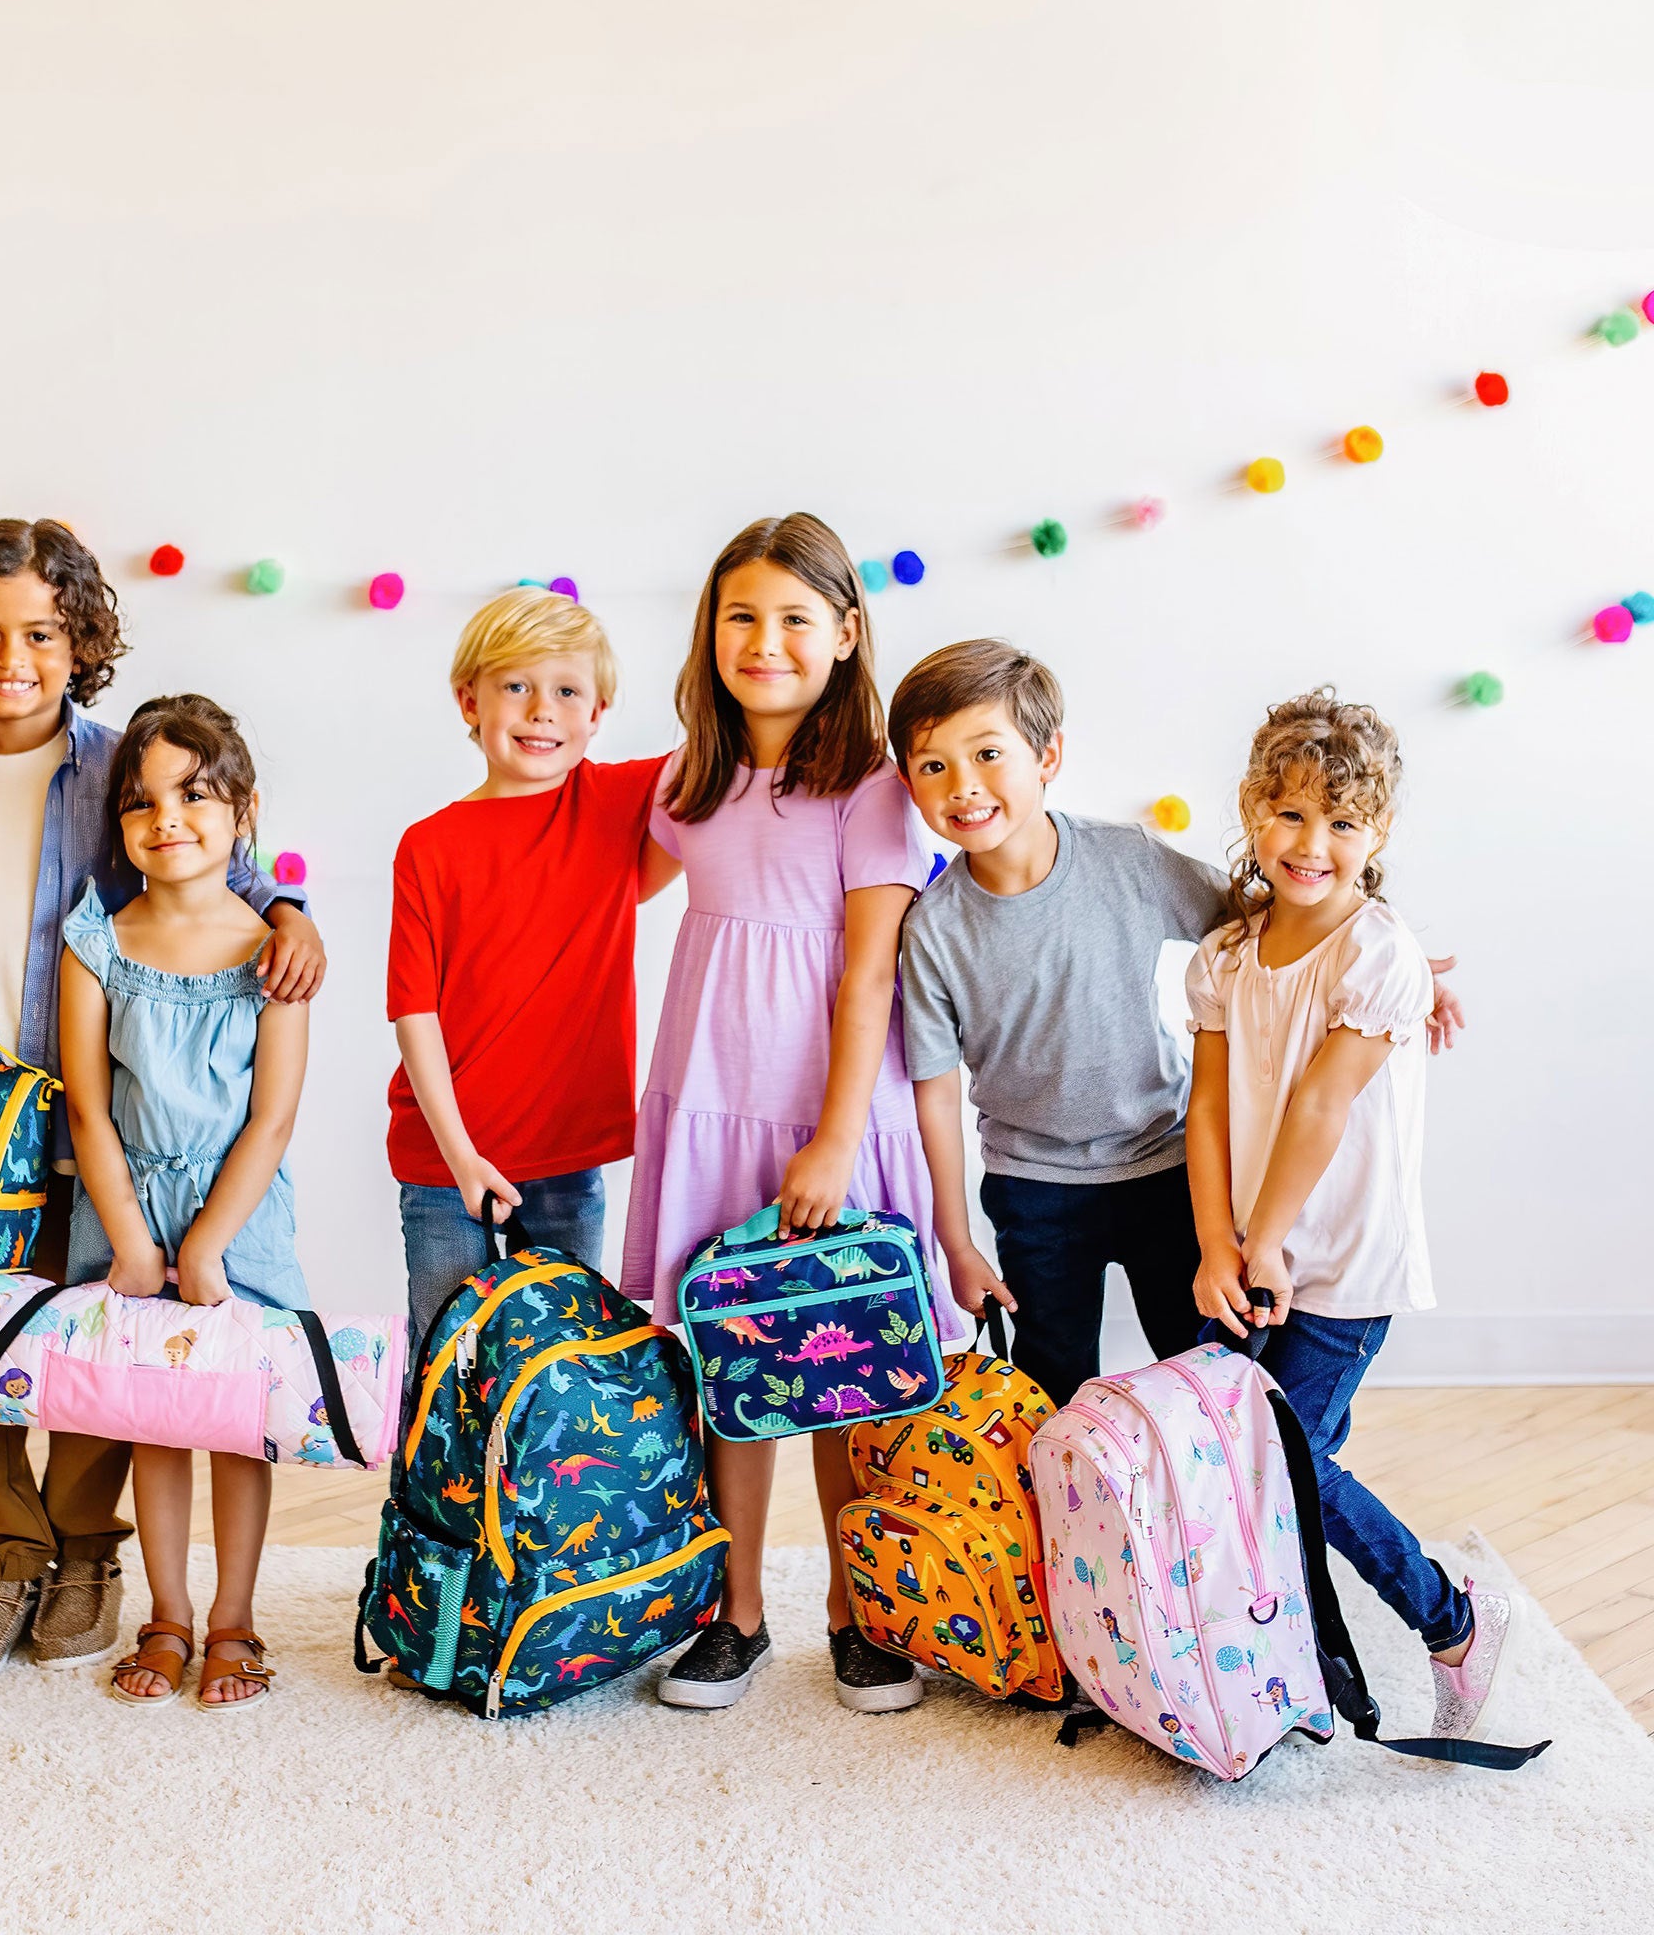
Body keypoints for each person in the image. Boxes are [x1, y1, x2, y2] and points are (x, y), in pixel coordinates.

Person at [0, 521, 324, 1684]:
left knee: (101, 1337)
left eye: (42, 634)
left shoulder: (119, 768)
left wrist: (294, 916)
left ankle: (85, 1554)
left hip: (97, 1115)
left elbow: (226, 867)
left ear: (80, 644)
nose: (11, 658)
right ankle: (0, 1559)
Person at [891, 638, 1463, 1415]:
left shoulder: (1126, 860)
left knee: (1204, 1381)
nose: (964, 785)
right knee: (1052, 1386)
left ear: (1048, 756)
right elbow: (932, 1090)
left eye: (988, 754)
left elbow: (1277, 915)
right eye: (934, 766)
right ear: (909, 781)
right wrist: (955, 1244)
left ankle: (1204, 1501)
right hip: (1033, 1190)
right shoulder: (933, 929)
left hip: (1163, 1169)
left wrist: (1401, 964)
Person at [622, 514, 970, 1716]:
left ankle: (852, 1614)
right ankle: (735, 1613)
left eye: (792, 618)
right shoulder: (686, 779)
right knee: (731, 1358)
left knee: (838, 1364)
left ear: (845, 633)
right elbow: (597, 883)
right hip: (711, 1098)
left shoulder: (872, 789)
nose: (763, 641)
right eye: (741, 617)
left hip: (828, 1109)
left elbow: (868, 972)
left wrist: (832, 1138)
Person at [1185, 687, 1509, 1740]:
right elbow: (1205, 1108)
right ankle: (1280, 1657)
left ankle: (1451, 1620)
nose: (1309, 843)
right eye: (1287, 813)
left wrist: (1267, 1240)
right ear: (1251, 809)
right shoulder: (1224, 958)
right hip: (1247, 1251)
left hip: (1339, 1262)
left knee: (1288, 1465)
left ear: (1379, 832)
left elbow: (1321, 1104)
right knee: (1238, 1460)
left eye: (1340, 821)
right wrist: (1218, 1243)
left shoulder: (1377, 954)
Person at [60, 695, 310, 1710]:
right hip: (126, 1208)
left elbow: (273, 1118)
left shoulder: (274, 951)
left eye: (194, 794)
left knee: (236, 1419)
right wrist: (131, 1239)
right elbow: (87, 1105)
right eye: (142, 801)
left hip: (239, 1215)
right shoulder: (97, 941)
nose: (167, 817)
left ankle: (234, 1619)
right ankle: (166, 1614)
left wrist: (206, 1246)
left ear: (241, 811)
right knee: (154, 1419)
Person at [387, 587, 670, 1348]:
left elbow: (721, 760)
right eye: (516, 686)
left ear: (598, 711)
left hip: (568, 1160)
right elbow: (414, 1012)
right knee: (448, 1367)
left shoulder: (617, 802)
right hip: (445, 1162)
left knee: (571, 1368)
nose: (542, 711)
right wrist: (461, 1158)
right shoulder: (429, 845)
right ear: (468, 701)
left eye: (567, 691)